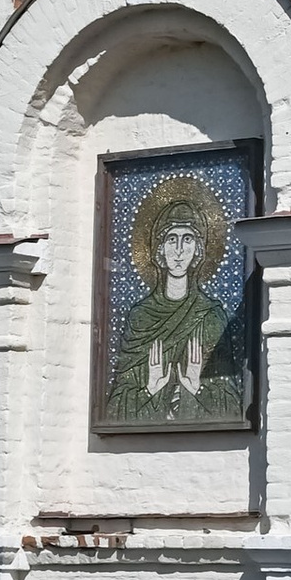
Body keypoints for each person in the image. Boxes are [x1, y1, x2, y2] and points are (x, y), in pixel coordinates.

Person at [102, 176, 246, 427]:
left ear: (198, 251)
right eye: (171, 239)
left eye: (187, 239)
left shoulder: (211, 316)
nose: (179, 250)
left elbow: (232, 405)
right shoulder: (140, 317)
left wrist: (197, 388)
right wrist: (150, 390)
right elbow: (115, 408)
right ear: (159, 249)